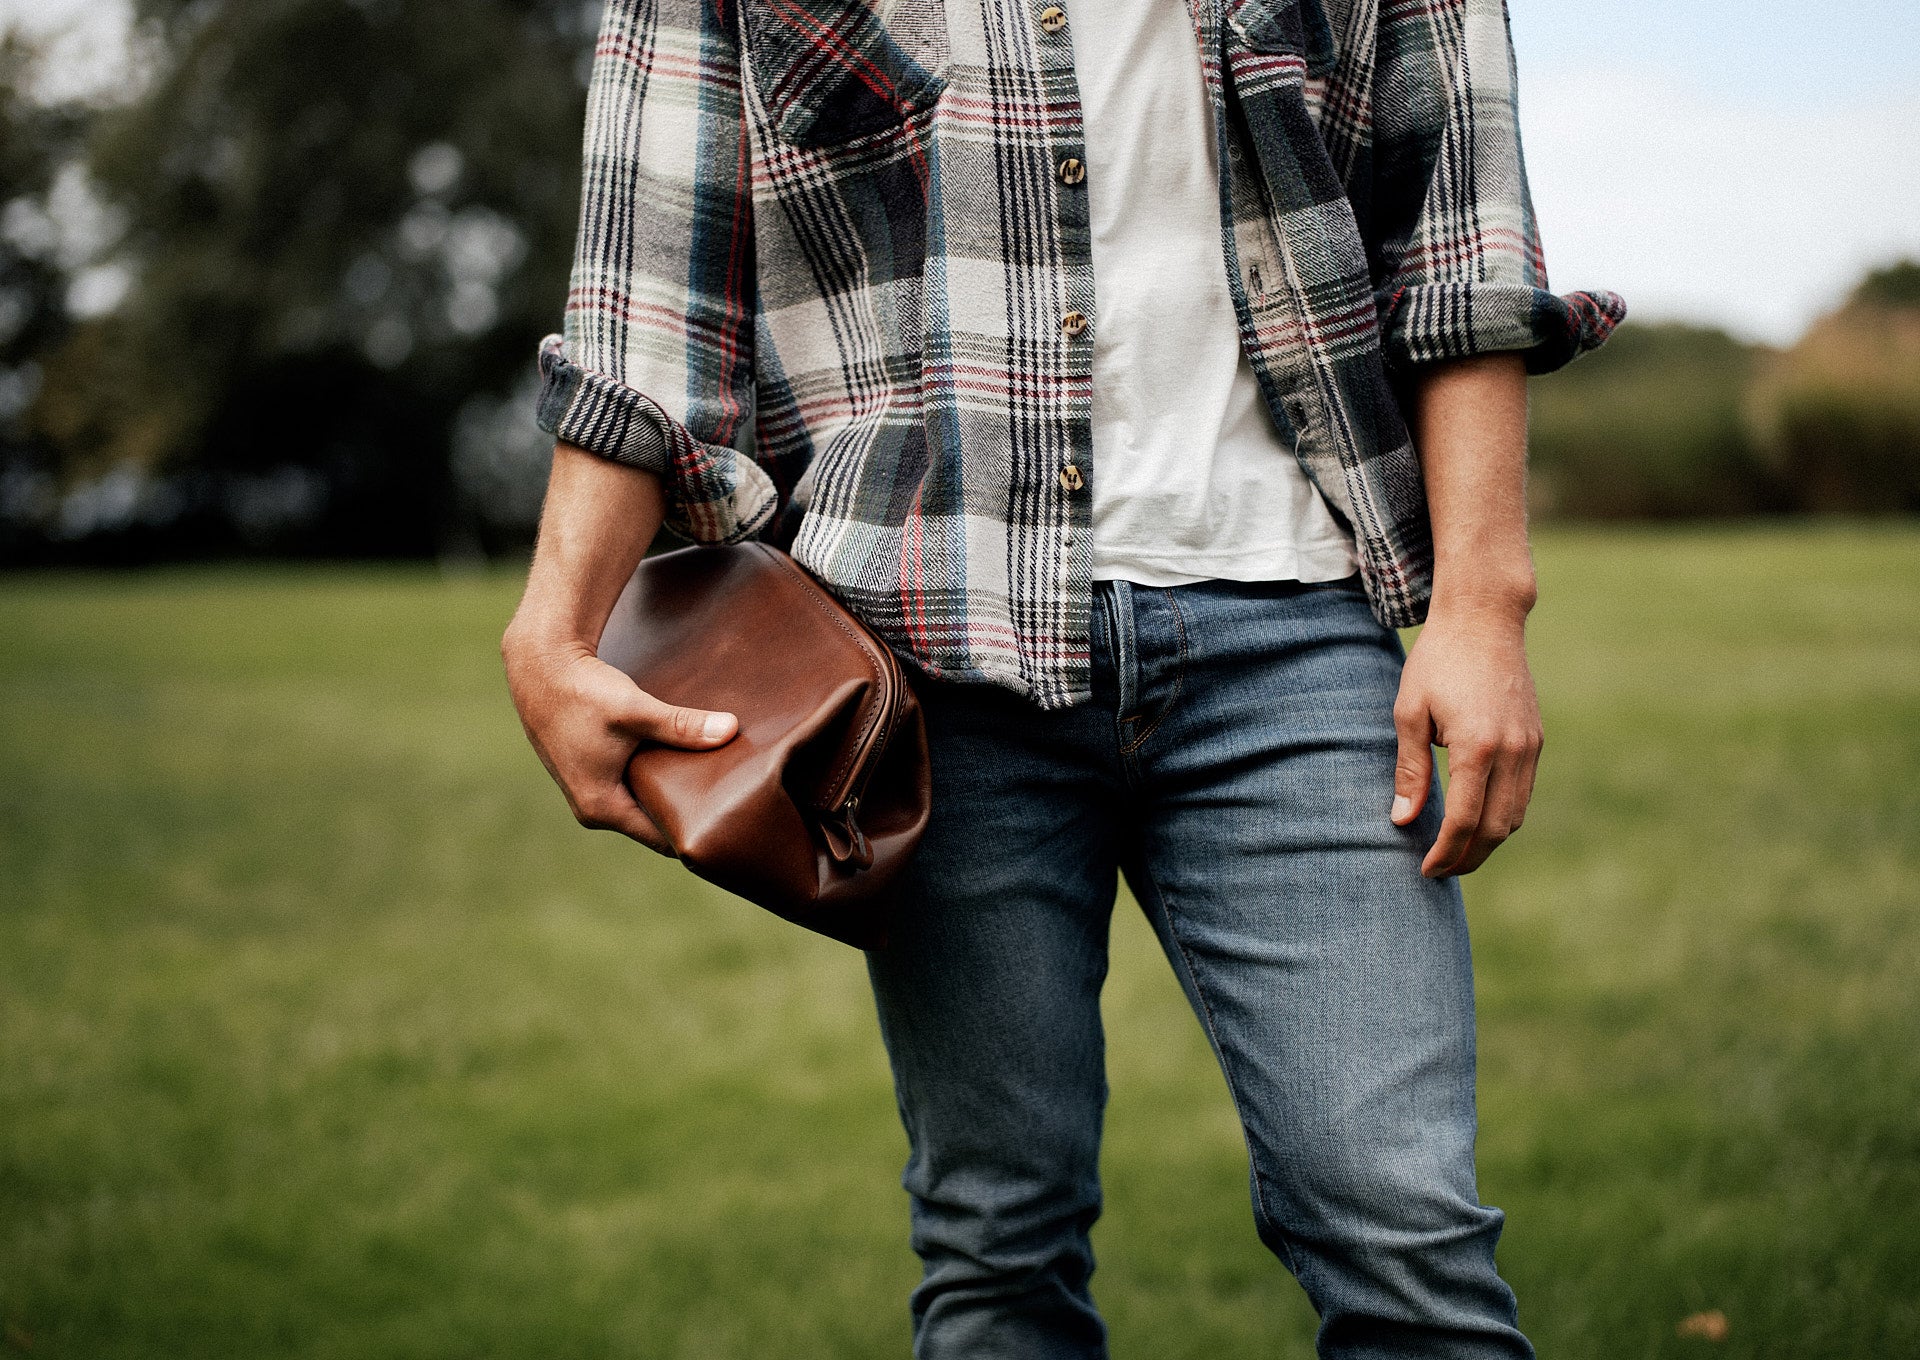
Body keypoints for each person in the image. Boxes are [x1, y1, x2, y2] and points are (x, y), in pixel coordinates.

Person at [503, 0, 1622, 1353]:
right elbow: (650, 291)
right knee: (999, 1242)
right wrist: (553, 629)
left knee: (1405, 1224)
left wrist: (1482, 606)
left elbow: (1459, 225)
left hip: (1296, 628)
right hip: (934, 660)